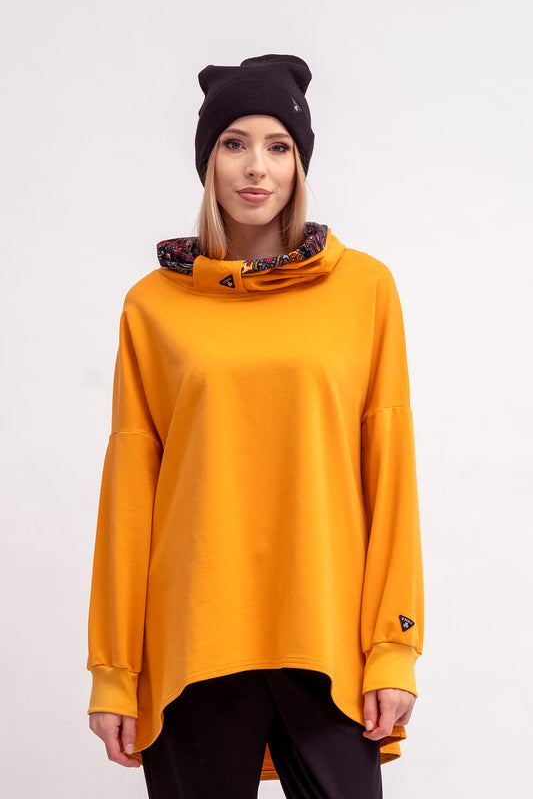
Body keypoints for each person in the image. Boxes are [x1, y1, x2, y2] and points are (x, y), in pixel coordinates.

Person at [87, 54, 424, 799]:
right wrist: (113, 671)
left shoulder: (364, 289)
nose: (255, 168)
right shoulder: (153, 305)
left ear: (299, 163)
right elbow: (130, 492)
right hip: (192, 640)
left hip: (326, 635)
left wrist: (393, 647)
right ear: (207, 160)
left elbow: (390, 474)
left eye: (278, 146)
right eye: (233, 143)